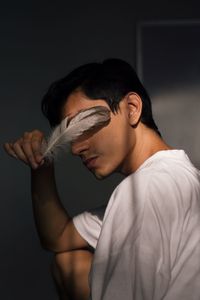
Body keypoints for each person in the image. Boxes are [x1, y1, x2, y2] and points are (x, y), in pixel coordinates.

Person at [4, 58, 200, 300]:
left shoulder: (146, 189)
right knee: (67, 263)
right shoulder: (177, 177)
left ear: (131, 108)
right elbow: (59, 237)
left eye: (84, 126)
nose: (75, 149)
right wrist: (41, 168)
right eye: (71, 136)